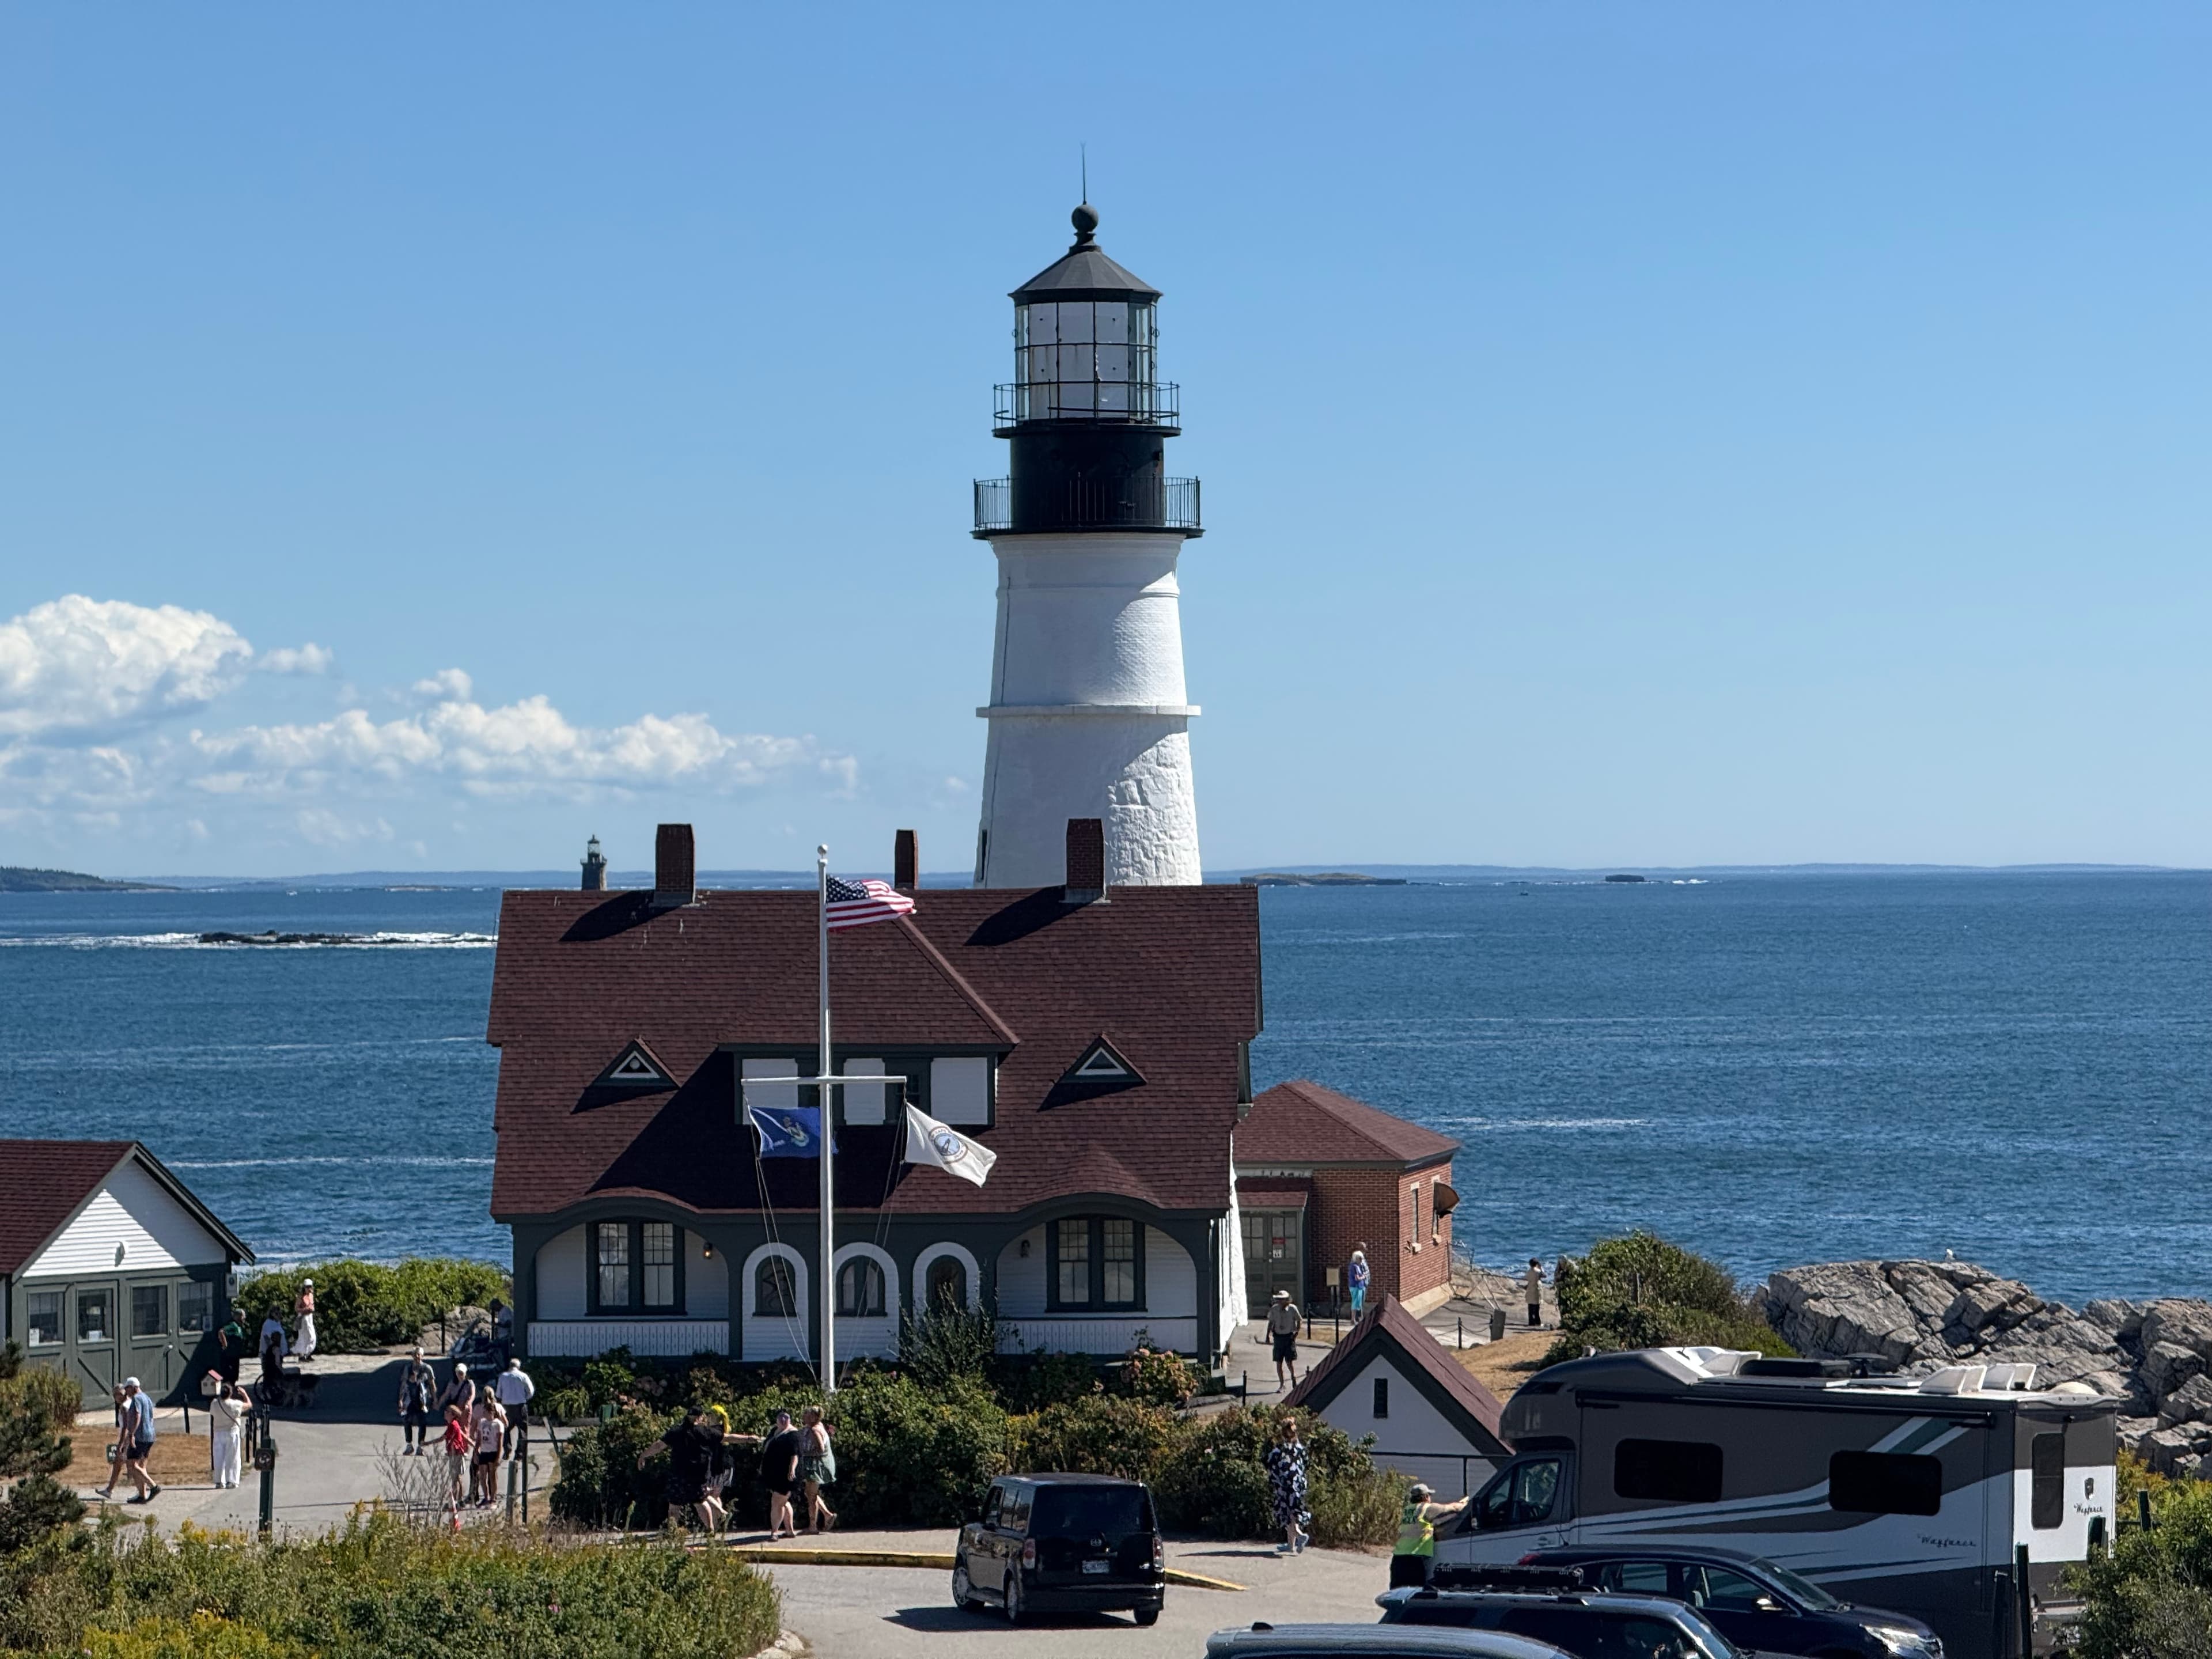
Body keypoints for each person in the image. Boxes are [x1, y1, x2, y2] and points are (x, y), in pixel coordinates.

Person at [638, 1405, 724, 1532]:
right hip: (697, 1475)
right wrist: (749, 1439)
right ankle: (710, 1528)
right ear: (700, 1417)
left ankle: (672, 1531)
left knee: (674, 1506)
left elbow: (659, 1446)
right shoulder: (704, 1431)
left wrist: (643, 1456)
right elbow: (727, 1437)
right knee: (701, 1502)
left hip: (678, 1474)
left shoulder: (676, 1432)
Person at [1391, 1480, 1471, 1588]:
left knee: (1397, 1593)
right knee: (1415, 1593)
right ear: (1425, 1497)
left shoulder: (1407, 1510)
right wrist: (1465, 1504)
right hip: (1414, 1559)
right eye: (1429, 1495)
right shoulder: (1426, 1508)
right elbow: (1453, 1508)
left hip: (1398, 1558)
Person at [1263, 1415, 1310, 1555]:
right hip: (1299, 1485)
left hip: (1285, 1485)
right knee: (1294, 1513)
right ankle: (1291, 1545)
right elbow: (1306, 1463)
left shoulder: (1279, 1450)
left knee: (1288, 1514)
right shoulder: (1300, 1448)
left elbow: (1269, 1463)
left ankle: (1301, 1536)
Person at [756, 1409, 802, 1539]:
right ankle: (789, 1530)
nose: (783, 1420)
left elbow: (795, 1455)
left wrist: (792, 1469)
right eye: (780, 1417)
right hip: (772, 1473)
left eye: (786, 1418)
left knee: (777, 1502)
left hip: (786, 1474)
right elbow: (766, 1449)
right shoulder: (774, 1431)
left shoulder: (793, 1434)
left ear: (790, 1419)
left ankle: (774, 1532)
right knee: (783, 1501)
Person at [119, 1377, 160, 1503]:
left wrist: (131, 1434)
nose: (126, 1391)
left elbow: (137, 1415)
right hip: (150, 1435)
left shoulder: (136, 1399)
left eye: (128, 1388)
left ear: (134, 1387)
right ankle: (142, 1496)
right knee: (141, 1466)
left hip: (140, 1436)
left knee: (131, 1464)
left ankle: (153, 1487)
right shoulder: (147, 1398)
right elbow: (152, 1417)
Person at [798, 1405, 836, 1533]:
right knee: (809, 1493)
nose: (804, 1417)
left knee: (812, 1496)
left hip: (817, 1466)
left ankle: (813, 1526)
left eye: (807, 1415)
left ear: (813, 1417)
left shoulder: (815, 1430)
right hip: (815, 1465)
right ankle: (827, 1515)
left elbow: (820, 1448)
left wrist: (806, 1454)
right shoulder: (815, 1428)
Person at [210, 1381, 251, 1488]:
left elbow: (212, 1412)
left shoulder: (214, 1404)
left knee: (218, 1458)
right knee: (232, 1457)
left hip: (218, 1433)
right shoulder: (235, 1404)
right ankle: (231, 1481)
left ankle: (219, 1481)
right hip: (232, 1432)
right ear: (230, 1394)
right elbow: (249, 1405)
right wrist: (245, 1394)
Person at [397, 1346, 437, 1455]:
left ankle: (420, 1446)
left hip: (422, 1400)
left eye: (419, 1354)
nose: (417, 1357)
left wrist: (435, 1399)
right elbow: (404, 1384)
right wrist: (400, 1399)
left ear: (423, 1356)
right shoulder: (408, 1368)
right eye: (415, 1354)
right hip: (410, 1399)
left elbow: (432, 1385)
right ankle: (409, 1445)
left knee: (422, 1423)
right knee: (407, 1421)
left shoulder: (427, 1368)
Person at [95, 1384, 130, 1499]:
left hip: (127, 1439)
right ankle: (109, 1489)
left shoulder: (125, 1407)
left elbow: (126, 1427)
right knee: (118, 1464)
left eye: (119, 1394)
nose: (117, 1397)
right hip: (127, 1438)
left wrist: (121, 1443)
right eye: (115, 1395)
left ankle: (148, 1487)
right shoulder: (129, 1404)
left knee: (133, 1466)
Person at [1265, 1289, 1303, 1391]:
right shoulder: (1274, 1309)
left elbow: (1299, 1320)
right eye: (1279, 1299)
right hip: (1278, 1337)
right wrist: (1267, 1336)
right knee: (1278, 1362)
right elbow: (1271, 1322)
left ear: (1287, 1300)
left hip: (1288, 1337)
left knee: (1289, 1361)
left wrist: (1297, 1333)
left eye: (1283, 1300)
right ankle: (1282, 1384)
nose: (1281, 1302)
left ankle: (1293, 1376)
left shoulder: (1292, 1309)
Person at [471, 1399, 506, 1507]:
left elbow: (500, 1442)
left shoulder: (498, 1424)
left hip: (493, 1451)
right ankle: (486, 1497)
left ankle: (493, 1498)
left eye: (485, 1412)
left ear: (491, 1412)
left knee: (492, 1475)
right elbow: (479, 1438)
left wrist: (498, 1457)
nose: (484, 1414)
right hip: (484, 1452)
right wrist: (476, 1451)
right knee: (482, 1476)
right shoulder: (482, 1423)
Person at [440, 1403, 475, 1511]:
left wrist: (427, 1443)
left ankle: (455, 1502)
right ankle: (459, 1501)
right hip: (454, 1454)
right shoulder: (453, 1425)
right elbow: (464, 1437)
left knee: (455, 1479)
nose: (445, 1413)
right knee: (458, 1479)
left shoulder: (454, 1425)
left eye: (447, 1412)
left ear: (453, 1415)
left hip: (456, 1455)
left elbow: (444, 1438)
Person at [493, 1357, 534, 1445]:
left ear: (510, 1366)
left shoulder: (502, 1377)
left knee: (506, 1428)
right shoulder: (523, 1376)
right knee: (522, 1430)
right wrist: (525, 1397)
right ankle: (520, 1454)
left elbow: (498, 1394)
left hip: (507, 1407)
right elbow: (531, 1392)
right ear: (519, 1366)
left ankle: (507, 1449)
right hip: (520, 1406)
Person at [435, 1360, 476, 1424]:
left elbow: (473, 1395)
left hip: (465, 1409)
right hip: (454, 1410)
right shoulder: (452, 1383)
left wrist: (468, 1403)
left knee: (464, 1427)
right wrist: (439, 1404)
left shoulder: (469, 1383)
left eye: (462, 1373)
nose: (460, 1374)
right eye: (458, 1372)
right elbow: (446, 1394)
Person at [215, 1313, 247, 1385]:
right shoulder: (233, 1325)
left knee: (235, 1376)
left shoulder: (239, 1327)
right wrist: (225, 1345)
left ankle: (231, 1391)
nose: (244, 1318)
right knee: (229, 1376)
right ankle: (227, 1392)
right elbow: (221, 1332)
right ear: (237, 1316)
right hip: (229, 1356)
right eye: (242, 1316)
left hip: (236, 1356)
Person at [293, 1280, 318, 1361]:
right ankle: (301, 1355)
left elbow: (312, 1305)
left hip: (310, 1317)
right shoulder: (300, 1297)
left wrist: (312, 1308)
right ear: (304, 1288)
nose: (309, 1288)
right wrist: (305, 1309)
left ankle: (308, 1353)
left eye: (310, 1286)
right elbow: (297, 1309)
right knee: (303, 1336)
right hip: (303, 1318)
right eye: (307, 1287)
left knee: (312, 1336)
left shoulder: (311, 1295)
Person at [1347, 1246, 1370, 1315]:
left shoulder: (1362, 1260)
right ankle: (1356, 1317)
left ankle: (1359, 1316)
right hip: (1357, 1286)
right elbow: (1358, 1276)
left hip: (1362, 1284)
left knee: (1360, 1302)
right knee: (1357, 1302)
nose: (1366, 1250)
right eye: (1364, 1248)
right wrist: (1363, 1277)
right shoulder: (1355, 1265)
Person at [1525, 1257, 1545, 1330]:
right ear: (1536, 1264)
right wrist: (1541, 1267)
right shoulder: (1538, 1271)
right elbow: (1544, 1275)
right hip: (1536, 1290)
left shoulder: (1529, 1272)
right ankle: (1537, 1322)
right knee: (1536, 1307)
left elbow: (1527, 1278)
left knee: (1530, 1307)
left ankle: (1531, 1322)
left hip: (1530, 1289)